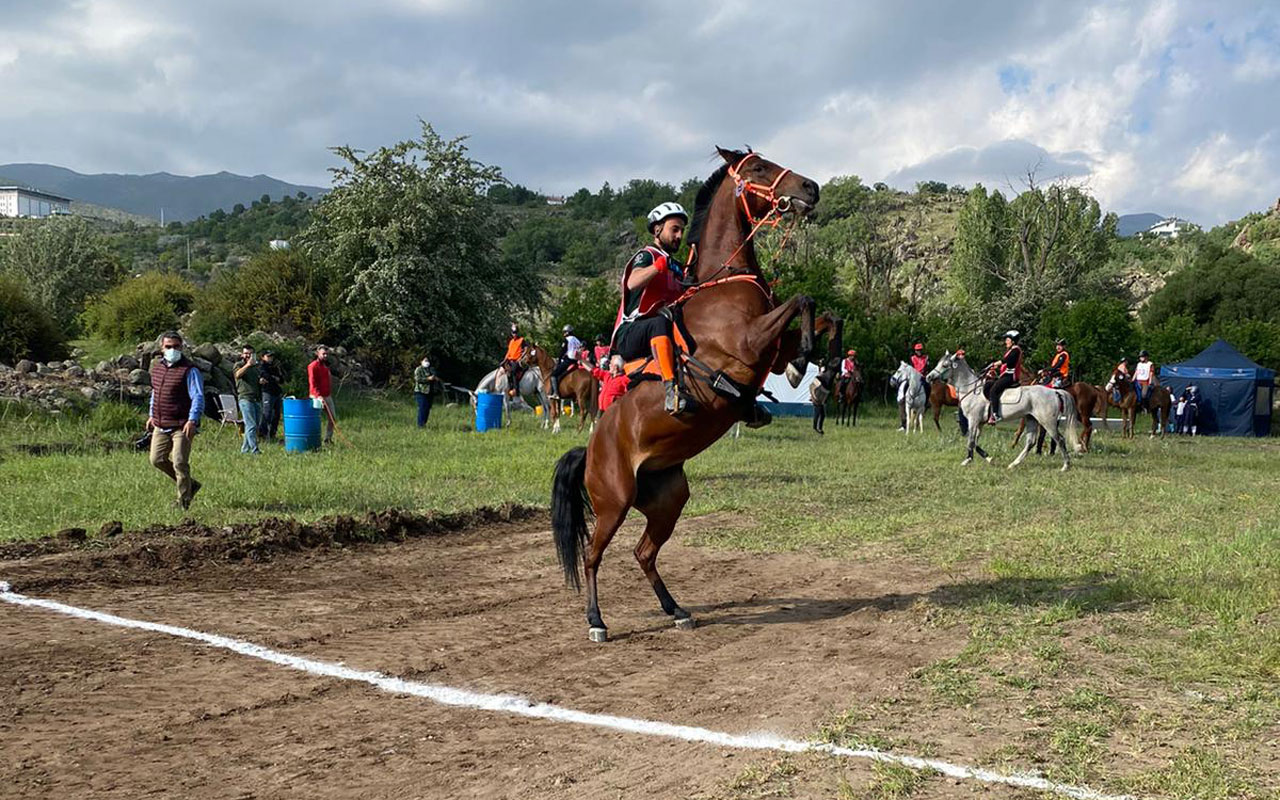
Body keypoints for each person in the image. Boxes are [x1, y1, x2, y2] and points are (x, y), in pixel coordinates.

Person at [612, 201, 692, 415]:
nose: (679, 236)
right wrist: (658, 266)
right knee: (660, 322)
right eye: (674, 229)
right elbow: (633, 282)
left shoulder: (675, 265)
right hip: (631, 333)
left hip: (663, 329)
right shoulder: (647, 255)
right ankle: (670, 390)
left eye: (682, 231)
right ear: (657, 229)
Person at [147, 331, 204, 509]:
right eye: (168, 347)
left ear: (182, 347)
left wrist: (192, 420)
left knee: (180, 462)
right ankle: (190, 484)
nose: (172, 350)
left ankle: (183, 501)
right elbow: (155, 393)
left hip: (182, 424)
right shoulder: (157, 368)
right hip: (160, 423)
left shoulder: (189, 370)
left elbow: (198, 396)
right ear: (161, 348)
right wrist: (151, 415)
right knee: (156, 459)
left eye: (176, 346)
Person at [984, 330, 1023, 424]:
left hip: (1010, 376)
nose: (1006, 341)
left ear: (1013, 340)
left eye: (1007, 339)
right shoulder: (1011, 350)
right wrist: (994, 367)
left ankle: (996, 414)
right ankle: (990, 409)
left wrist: (994, 364)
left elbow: (1007, 360)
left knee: (994, 390)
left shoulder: (1016, 350)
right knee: (988, 384)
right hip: (1006, 375)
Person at [233, 344, 262, 454]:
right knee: (251, 425)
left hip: (256, 398)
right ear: (242, 354)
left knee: (255, 425)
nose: (247, 355)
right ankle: (255, 450)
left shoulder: (256, 367)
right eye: (246, 353)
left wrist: (261, 381)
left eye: (250, 353)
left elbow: (257, 379)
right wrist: (248, 365)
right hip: (245, 398)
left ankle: (245, 450)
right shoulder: (238, 365)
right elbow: (237, 375)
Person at [308, 345, 336, 444]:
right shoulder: (313, 366)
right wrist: (318, 395)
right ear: (317, 354)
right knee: (315, 419)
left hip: (327, 395)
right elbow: (312, 382)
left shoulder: (325, 366)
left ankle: (328, 439)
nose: (325, 356)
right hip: (316, 396)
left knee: (332, 417)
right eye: (323, 354)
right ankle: (313, 439)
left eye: (326, 354)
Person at [549, 324, 584, 400]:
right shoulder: (577, 340)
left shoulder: (567, 339)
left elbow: (563, 351)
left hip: (569, 360)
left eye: (564, 332)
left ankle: (555, 393)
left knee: (553, 375)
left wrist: (559, 360)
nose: (564, 334)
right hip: (576, 361)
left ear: (568, 332)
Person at [899, 342, 929, 431]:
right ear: (915, 351)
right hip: (913, 378)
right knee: (905, 386)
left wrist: (924, 374)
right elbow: (910, 368)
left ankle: (926, 401)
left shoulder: (926, 358)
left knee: (928, 386)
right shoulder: (912, 358)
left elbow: (927, 367)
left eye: (920, 350)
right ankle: (904, 398)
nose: (919, 351)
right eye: (917, 350)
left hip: (922, 377)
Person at [258, 350, 284, 441]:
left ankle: (273, 433)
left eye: (271, 356)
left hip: (276, 392)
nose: (270, 358)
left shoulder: (275, 367)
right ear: (263, 357)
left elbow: (281, 379)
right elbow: (265, 376)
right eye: (268, 356)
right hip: (267, 392)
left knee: (277, 414)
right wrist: (274, 378)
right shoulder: (261, 366)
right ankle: (263, 434)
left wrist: (274, 378)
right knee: (267, 414)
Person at [501, 323, 526, 398]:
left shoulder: (521, 340)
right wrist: (504, 361)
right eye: (513, 333)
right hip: (510, 360)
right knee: (502, 369)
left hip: (516, 361)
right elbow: (508, 352)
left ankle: (516, 390)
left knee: (513, 371)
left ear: (517, 333)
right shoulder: (511, 341)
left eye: (515, 333)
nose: (514, 334)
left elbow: (526, 349)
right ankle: (506, 388)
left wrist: (520, 358)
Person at [413, 355, 438, 427]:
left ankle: (424, 423)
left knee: (427, 408)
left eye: (428, 361)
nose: (427, 362)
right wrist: (427, 379)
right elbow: (418, 379)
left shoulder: (430, 369)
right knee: (422, 407)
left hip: (430, 391)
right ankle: (420, 425)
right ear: (421, 361)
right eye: (425, 360)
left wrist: (435, 378)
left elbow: (434, 376)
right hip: (421, 391)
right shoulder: (418, 369)